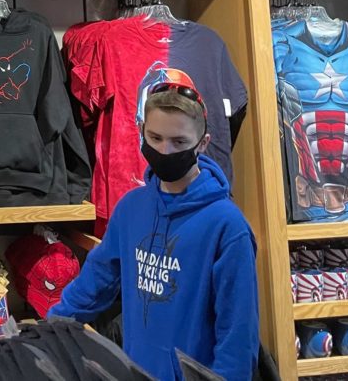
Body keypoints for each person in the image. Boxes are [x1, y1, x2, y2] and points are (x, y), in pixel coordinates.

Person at [49, 77, 259, 381]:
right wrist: (48, 329)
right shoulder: (130, 208)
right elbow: (96, 281)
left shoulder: (227, 226)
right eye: (155, 137)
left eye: (179, 142)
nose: (165, 150)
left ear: (203, 143)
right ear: (141, 132)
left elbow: (238, 334)